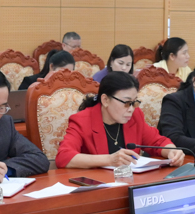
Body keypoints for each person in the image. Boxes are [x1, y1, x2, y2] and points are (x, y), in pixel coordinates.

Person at [56, 72, 186, 169]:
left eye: (134, 102)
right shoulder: (82, 120)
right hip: (97, 187)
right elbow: (64, 157)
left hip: (130, 183)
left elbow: (158, 141)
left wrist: (172, 151)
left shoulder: (135, 116)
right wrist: (109, 160)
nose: (131, 109)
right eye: (126, 103)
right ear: (105, 100)